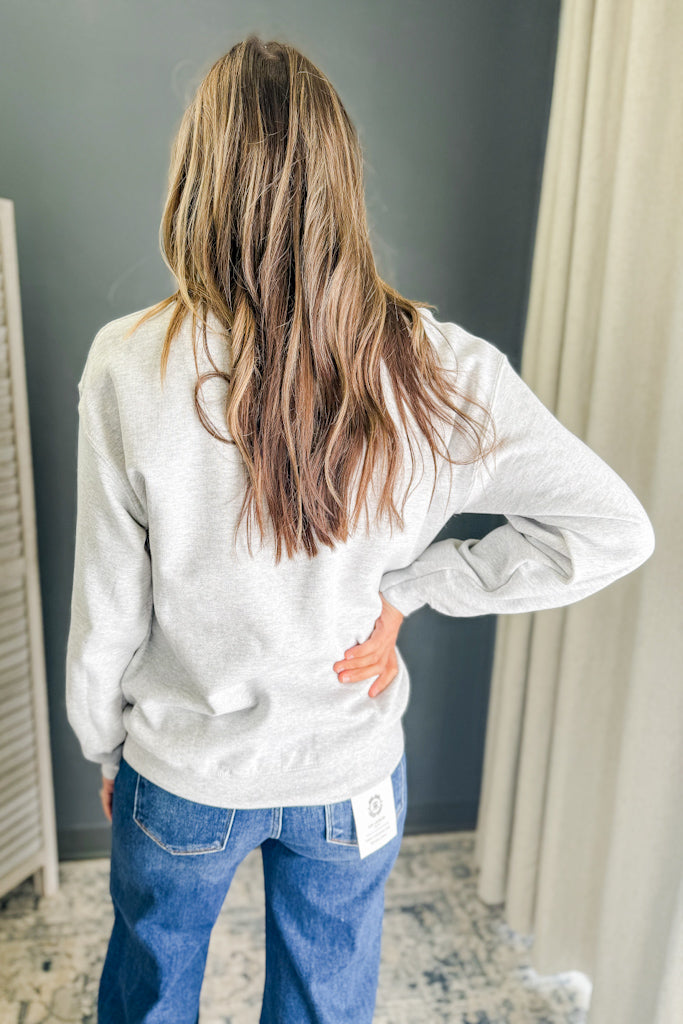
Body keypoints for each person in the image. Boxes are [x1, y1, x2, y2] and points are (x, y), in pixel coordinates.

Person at [65, 34, 655, 1024]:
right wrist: (412, 587)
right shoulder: (440, 367)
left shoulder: (129, 364)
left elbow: (108, 602)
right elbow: (611, 527)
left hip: (183, 775)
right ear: (340, 179)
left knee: (148, 997)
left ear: (199, 178)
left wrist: (101, 748)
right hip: (347, 777)